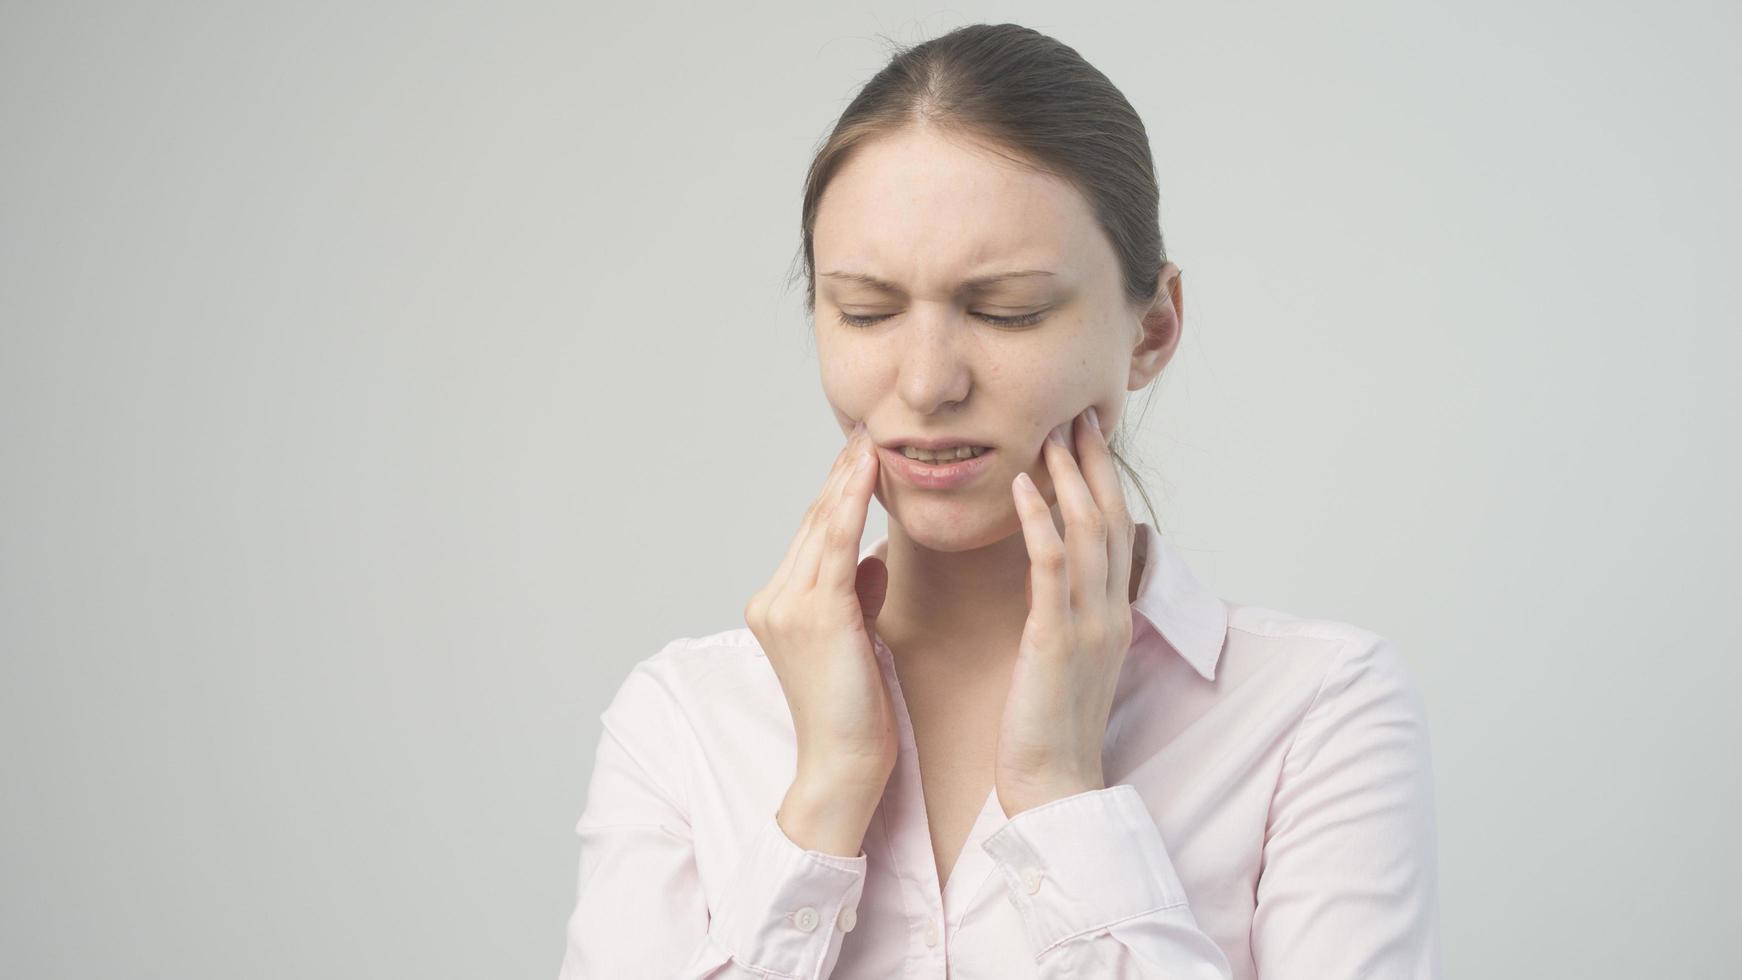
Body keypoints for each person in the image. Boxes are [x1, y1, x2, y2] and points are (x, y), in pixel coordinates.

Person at [557, 22, 1440, 979]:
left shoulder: (1312, 712)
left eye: (1006, 311)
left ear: (1153, 329)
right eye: (867, 311)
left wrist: (1064, 799)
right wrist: (824, 800)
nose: (928, 382)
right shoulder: (686, 718)